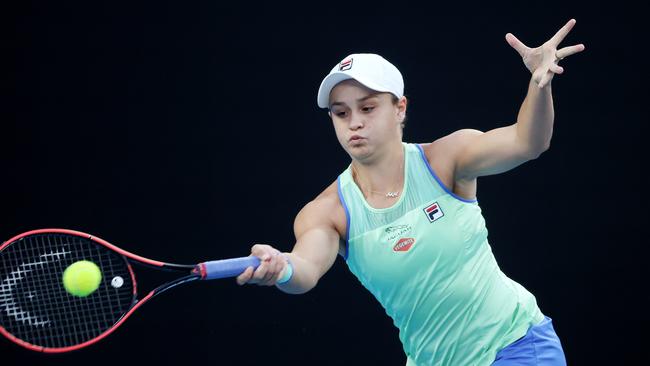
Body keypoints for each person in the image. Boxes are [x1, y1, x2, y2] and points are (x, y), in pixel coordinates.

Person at [236, 19, 585, 365]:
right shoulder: (328, 212)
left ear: (400, 108)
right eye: (340, 113)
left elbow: (529, 142)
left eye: (368, 107)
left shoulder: (447, 158)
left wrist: (539, 86)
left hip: (514, 345)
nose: (354, 122)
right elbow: (305, 269)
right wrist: (280, 267)